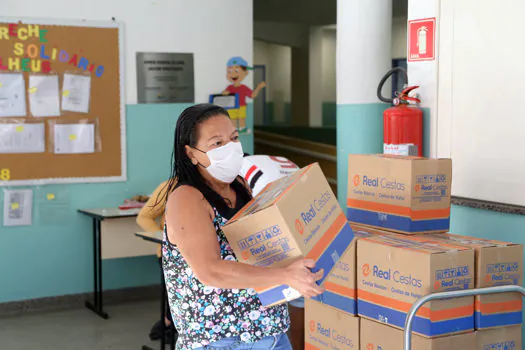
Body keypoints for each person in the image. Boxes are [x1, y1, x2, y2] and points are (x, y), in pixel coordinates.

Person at [162, 103, 324, 349]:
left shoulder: (239, 185)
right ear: (191, 153)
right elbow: (210, 271)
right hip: (222, 341)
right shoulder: (186, 198)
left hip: (271, 332)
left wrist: (294, 259)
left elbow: (254, 249)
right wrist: (285, 275)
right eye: (217, 143)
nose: (230, 148)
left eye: (234, 138)